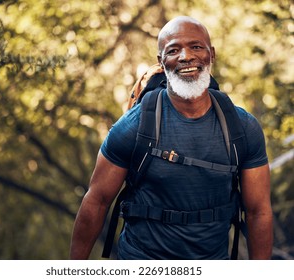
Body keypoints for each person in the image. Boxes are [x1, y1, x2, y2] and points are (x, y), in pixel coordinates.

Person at [70, 16, 273, 260]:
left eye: (196, 47)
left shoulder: (242, 127)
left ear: (212, 54)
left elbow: (258, 211)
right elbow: (97, 201)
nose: (186, 56)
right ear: (161, 61)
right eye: (173, 50)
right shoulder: (134, 126)